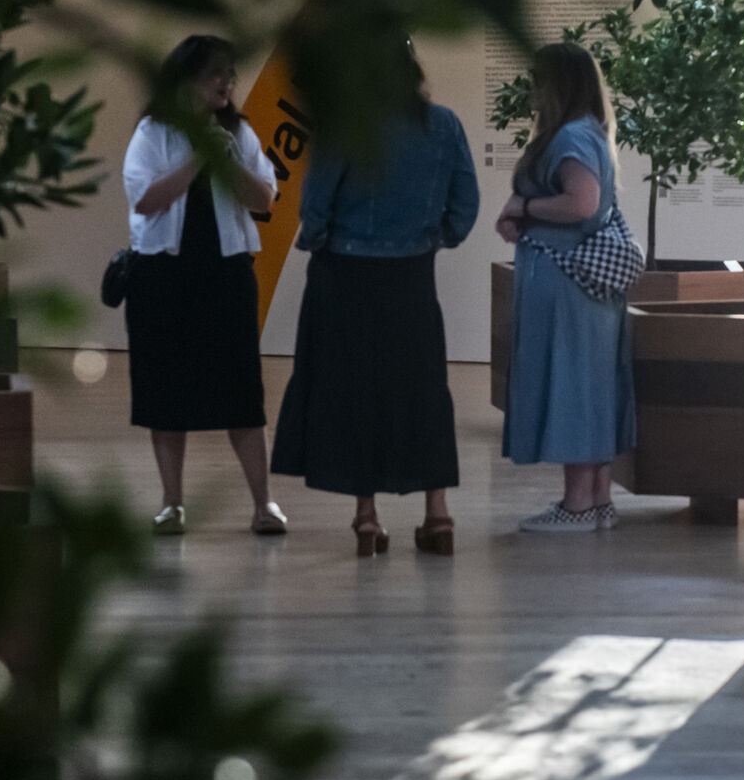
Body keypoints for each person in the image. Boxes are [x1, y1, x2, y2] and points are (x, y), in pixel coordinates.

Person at [271, 43, 478, 557]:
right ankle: (438, 514)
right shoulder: (446, 125)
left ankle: (366, 517)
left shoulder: (346, 125)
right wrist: (432, 237)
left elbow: (316, 203)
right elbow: (465, 205)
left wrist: (320, 241)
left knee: (355, 390)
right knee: (424, 389)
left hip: (345, 275)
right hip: (412, 278)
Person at [121, 35, 286, 536]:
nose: (228, 83)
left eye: (231, 75)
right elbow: (145, 201)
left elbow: (264, 199)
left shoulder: (239, 132)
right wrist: (196, 159)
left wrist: (225, 157)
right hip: (161, 278)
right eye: (218, 74)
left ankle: (264, 504)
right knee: (164, 391)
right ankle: (172, 503)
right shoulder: (153, 131)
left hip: (226, 275)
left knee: (241, 390)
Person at [497, 42, 636, 532]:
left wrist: (525, 209)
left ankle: (576, 505)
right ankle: (597, 501)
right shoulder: (591, 133)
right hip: (591, 289)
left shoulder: (569, 136)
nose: (532, 89)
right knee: (593, 385)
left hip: (565, 283)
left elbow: (581, 203)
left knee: (570, 384)